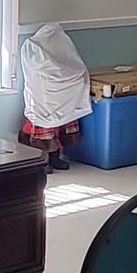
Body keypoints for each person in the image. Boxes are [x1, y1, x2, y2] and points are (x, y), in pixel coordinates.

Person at [19, 23, 91, 172]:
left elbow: (72, 64)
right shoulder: (33, 47)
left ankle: (55, 158)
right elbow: (40, 68)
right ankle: (42, 161)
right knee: (44, 127)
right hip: (42, 95)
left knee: (60, 127)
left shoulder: (61, 48)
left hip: (61, 97)